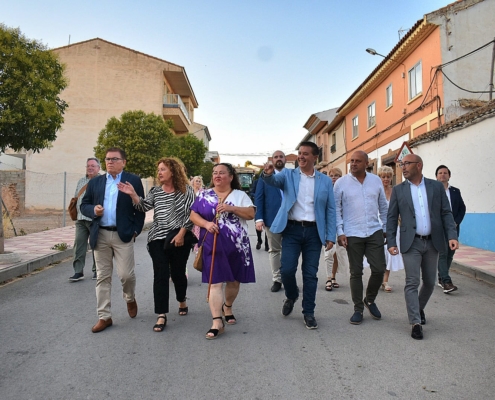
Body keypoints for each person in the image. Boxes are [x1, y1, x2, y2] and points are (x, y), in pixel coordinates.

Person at [262, 141, 336, 330]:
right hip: (292, 230)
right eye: (299, 153)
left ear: (314, 157)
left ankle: (308, 312)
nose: (301, 157)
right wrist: (268, 173)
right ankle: (292, 295)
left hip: (314, 232)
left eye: (305, 154)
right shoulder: (288, 175)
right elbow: (272, 181)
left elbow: (330, 209)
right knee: (286, 270)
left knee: (310, 274)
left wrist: (331, 235)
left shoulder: (325, 181)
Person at [118, 157, 195, 332]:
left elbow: (192, 214)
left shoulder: (187, 191)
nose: (159, 173)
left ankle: (181, 299)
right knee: (160, 274)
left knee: (178, 273)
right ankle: (161, 314)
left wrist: (182, 234)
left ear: (173, 171)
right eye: (158, 169)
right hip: (157, 238)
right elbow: (143, 207)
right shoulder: (155, 191)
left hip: (179, 236)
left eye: (163, 169)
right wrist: (133, 195)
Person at [387, 154, 458, 340]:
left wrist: (452, 235)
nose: (403, 167)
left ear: (418, 166)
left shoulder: (435, 187)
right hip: (411, 242)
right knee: (412, 281)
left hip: (433, 241)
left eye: (406, 164)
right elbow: (392, 218)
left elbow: (446, 212)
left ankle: (417, 308)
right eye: (402, 164)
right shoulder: (398, 190)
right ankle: (415, 322)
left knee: (429, 282)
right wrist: (392, 243)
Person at [81, 147, 145, 333]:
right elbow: (84, 205)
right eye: (107, 159)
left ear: (123, 162)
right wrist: (94, 210)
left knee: (126, 275)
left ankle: (129, 297)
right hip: (100, 234)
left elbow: (140, 207)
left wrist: (135, 230)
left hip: (122, 234)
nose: (109, 162)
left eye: (114, 159)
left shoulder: (133, 180)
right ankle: (104, 316)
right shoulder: (96, 182)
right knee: (103, 276)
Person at [190, 163, 256, 340]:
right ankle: (217, 322)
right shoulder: (204, 195)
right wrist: (206, 224)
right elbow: (193, 214)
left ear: (231, 176)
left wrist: (231, 208)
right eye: (214, 173)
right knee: (216, 282)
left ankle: (228, 306)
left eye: (221, 173)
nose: (217, 176)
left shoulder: (240, 195)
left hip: (237, 246)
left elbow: (251, 214)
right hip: (213, 245)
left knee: (234, 282)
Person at [334, 151, 388, 325]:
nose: (353, 164)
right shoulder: (341, 183)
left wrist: (386, 228)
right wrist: (340, 231)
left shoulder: (376, 181)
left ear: (367, 163)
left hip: (374, 231)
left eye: (358, 161)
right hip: (352, 233)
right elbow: (336, 210)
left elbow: (383, 207)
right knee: (356, 272)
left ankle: (369, 299)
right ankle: (358, 309)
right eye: (352, 161)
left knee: (379, 269)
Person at [255, 150, 286, 292]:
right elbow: (259, 198)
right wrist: (259, 218)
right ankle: (277, 279)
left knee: (290, 251)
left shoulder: (292, 175)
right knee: (274, 250)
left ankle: (288, 280)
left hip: (291, 220)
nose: (278, 159)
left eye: (281, 157)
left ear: (285, 160)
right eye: (276, 157)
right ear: (272, 160)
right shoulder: (264, 177)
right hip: (272, 220)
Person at [68, 157, 101, 282]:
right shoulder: (81, 181)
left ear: (98, 168)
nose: (90, 168)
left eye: (93, 166)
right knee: (79, 245)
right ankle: (78, 271)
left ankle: (97, 271)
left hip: (94, 219)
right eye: (88, 166)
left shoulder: (101, 181)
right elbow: (77, 196)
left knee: (95, 245)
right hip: (81, 219)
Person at [436, 165, 466, 293]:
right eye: (440, 173)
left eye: (445, 173)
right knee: (443, 253)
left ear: (449, 175)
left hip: (453, 228)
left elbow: (462, 208)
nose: (443, 175)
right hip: (439, 228)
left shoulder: (455, 191)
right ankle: (447, 281)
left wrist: (456, 222)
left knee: (450, 254)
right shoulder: (433, 191)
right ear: (436, 176)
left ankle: (441, 277)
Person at [377, 165, 404, 292]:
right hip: (377, 226)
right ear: (379, 178)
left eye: (388, 177)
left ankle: (385, 281)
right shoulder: (376, 190)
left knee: (390, 253)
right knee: (378, 254)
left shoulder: (395, 191)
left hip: (393, 227)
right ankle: (377, 278)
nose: (386, 179)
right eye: (383, 177)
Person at [324, 168, 349, 291]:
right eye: (331, 175)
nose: (334, 177)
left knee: (338, 253)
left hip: (341, 226)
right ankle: (328, 277)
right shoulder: (325, 190)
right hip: (328, 225)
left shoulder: (343, 191)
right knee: (329, 252)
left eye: (337, 175)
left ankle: (333, 276)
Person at [250, 176, 264, 250]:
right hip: (258, 205)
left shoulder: (272, 181)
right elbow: (251, 192)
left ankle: (267, 244)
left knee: (268, 226)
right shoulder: (257, 182)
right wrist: (258, 195)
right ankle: (259, 240)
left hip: (268, 207)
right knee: (258, 224)